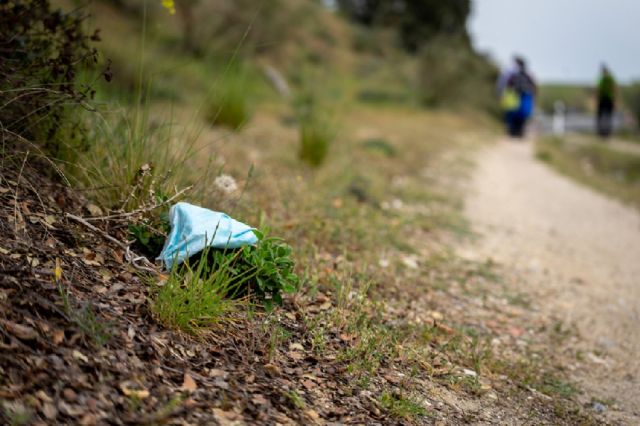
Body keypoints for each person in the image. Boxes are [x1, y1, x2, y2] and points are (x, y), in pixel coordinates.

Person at [498, 56, 537, 138]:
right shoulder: (524, 74)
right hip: (516, 95)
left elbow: (502, 84)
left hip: (519, 95)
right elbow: (534, 86)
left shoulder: (514, 73)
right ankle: (514, 131)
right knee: (513, 113)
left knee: (518, 114)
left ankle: (516, 131)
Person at [596, 64, 616, 138]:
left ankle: (601, 132)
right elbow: (615, 89)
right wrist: (614, 100)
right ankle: (608, 132)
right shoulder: (611, 78)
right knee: (609, 116)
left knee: (600, 116)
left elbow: (598, 89)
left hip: (603, 99)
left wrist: (597, 98)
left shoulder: (601, 78)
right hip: (609, 99)